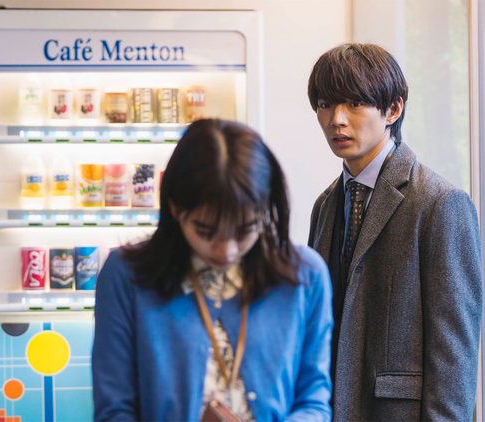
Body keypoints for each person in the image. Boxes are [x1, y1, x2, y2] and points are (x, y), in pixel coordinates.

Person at [92, 119, 333, 421]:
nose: (226, 250)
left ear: (266, 209)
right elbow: (114, 410)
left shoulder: (305, 275)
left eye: (245, 230)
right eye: (206, 231)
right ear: (175, 209)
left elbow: (314, 402)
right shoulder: (125, 275)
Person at [307, 43, 483, 421]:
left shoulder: (440, 203)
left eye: (355, 103)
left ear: (393, 109)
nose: (337, 119)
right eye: (325, 104)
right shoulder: (324, 206)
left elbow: (454, 357)